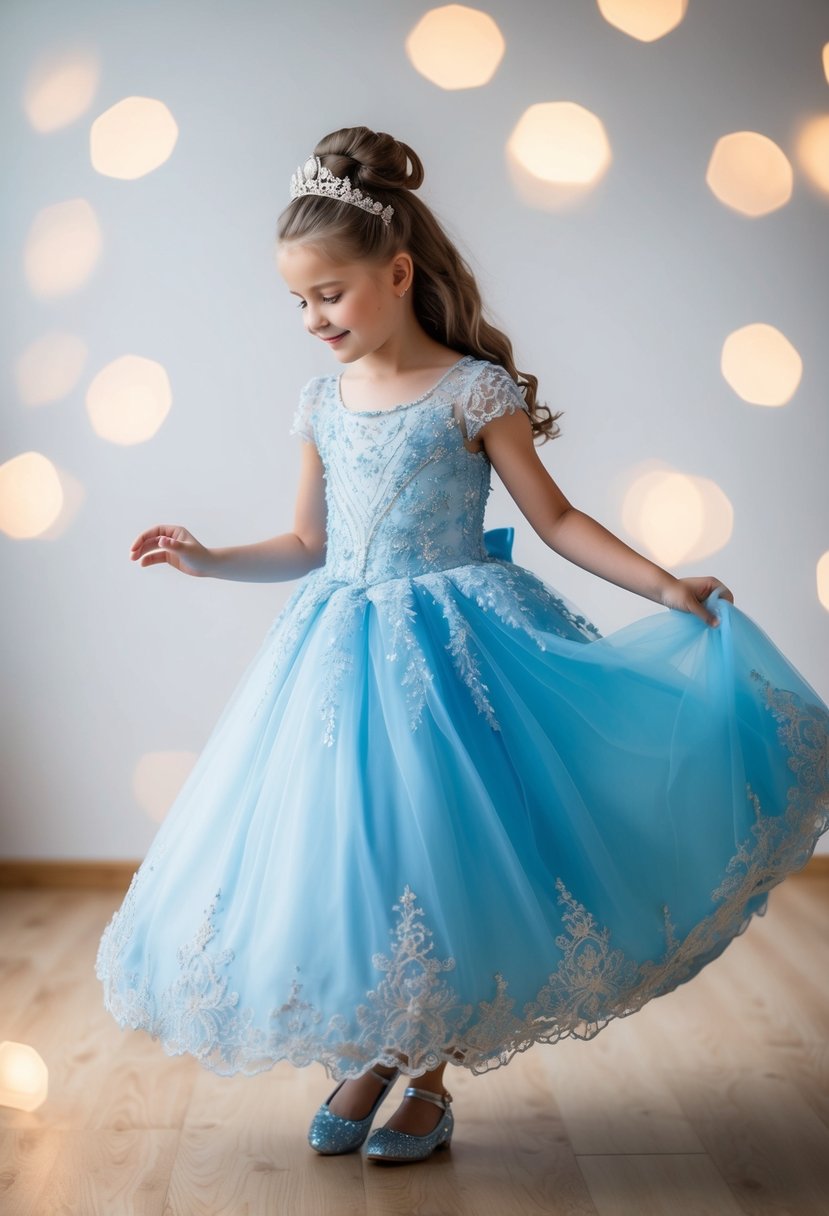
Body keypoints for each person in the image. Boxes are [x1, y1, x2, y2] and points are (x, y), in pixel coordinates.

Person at [96, 125, 829, 1166]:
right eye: (298, 301)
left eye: (330, 295)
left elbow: (558, 520)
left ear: (395, 273)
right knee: (359, 855)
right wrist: (209, 558)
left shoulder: (474, 389)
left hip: (458, 659)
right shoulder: (319, 401)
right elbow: (310, 542)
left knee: (449, 855)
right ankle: (371, 1047)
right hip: (336, 661)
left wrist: (665, 582)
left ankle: (428, 1074)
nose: (312, 319)